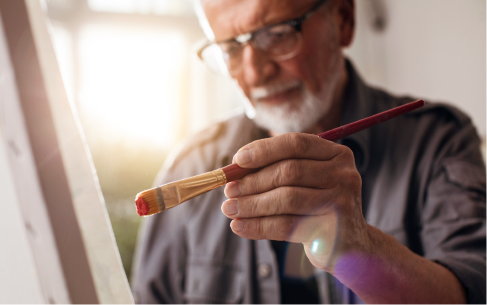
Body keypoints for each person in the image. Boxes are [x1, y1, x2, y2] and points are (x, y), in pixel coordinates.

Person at [132, 0, 486, 303]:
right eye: (231, 49)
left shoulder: (438, 141)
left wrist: (360, 250)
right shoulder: (190, 165)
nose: (256, 72)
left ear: (343, 20)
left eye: (277, 33)